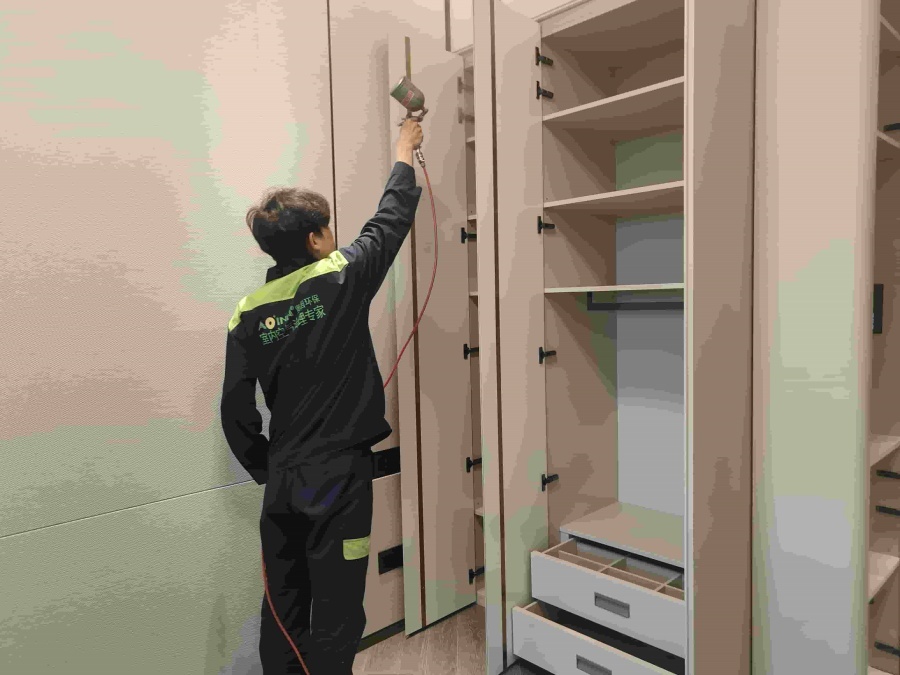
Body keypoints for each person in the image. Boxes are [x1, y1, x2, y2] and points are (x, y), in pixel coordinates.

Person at [220, 118, 424, 674]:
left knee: (284, 610)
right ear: (315, 239)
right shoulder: (340, 276)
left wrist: (267, 466)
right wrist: (404, 147)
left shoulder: (247, 313)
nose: (334, 235)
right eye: (328, 228)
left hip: (284, 481)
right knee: (337, 608)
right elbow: (390, 219)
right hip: (340, 481)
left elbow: (235, 410)